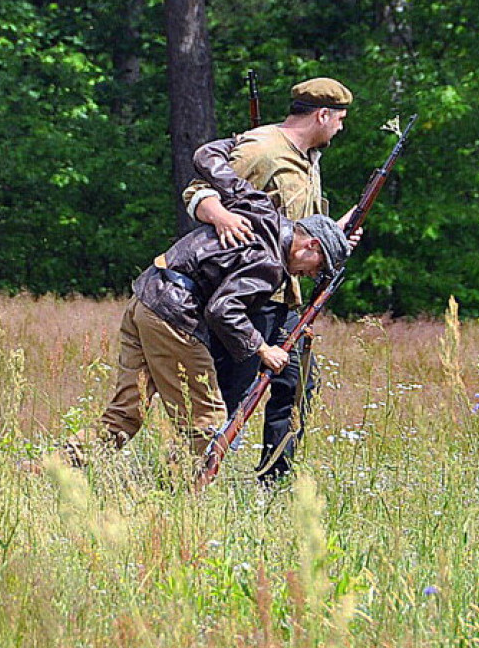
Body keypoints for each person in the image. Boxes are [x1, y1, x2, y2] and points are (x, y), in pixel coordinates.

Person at [61, 177, 350, 472]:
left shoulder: (262, 213)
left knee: (126, 413)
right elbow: (222, 309)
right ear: (311, 245)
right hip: (174, 317)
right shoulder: (272, 265)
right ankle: (175, 494)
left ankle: (51, 468)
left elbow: (211, 159)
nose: (307, 274)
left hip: (147, 298)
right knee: (206, 422)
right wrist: (263, 349)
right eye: (316, 267)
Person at [182, 77, 356, 483]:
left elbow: (298, 226)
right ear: (322, 115)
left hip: (287, 295)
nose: (341, 129)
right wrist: (221, 216)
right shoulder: (262, 148)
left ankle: (274, 483)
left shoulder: (309, 158)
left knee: (296, 385)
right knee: (234, 393)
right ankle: (191, 480)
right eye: (339, 120)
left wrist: (337, 234)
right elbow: (198, 190)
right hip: (246, 293)